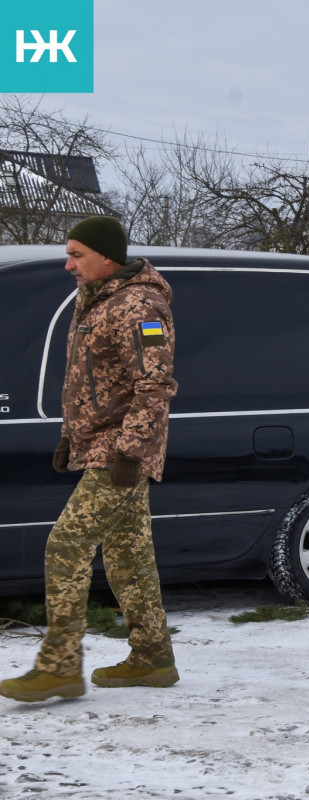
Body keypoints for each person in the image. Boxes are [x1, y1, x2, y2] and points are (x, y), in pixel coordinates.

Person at [1, 217, 179, 703]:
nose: (68, 264)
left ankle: (59, 665)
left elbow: (155, 386)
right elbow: (88, 381)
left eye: (77, 254)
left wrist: (127, 450)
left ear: (107, 256)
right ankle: (152, 657)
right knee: (128, 557)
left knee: (66, 546)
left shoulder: (141, 306)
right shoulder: (98, 300)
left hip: (121, 453)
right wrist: (69, 435)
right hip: (101, 445)